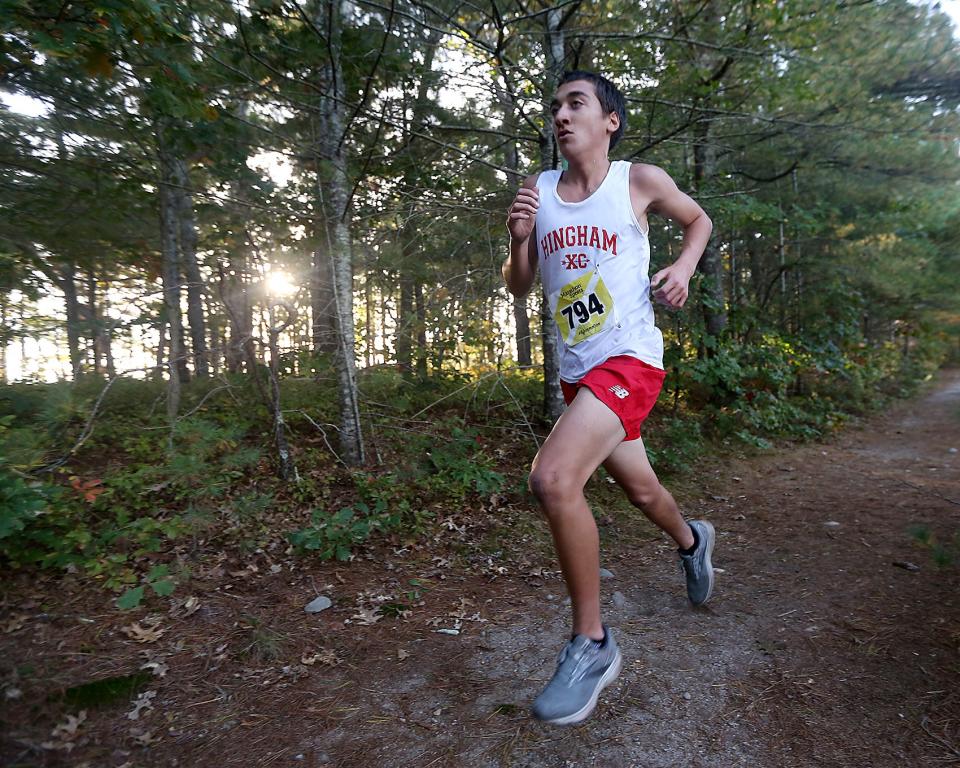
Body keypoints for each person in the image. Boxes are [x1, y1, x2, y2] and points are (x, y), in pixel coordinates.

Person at [502, 70, 716, 726]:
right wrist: (516, 241)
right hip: (579, 375)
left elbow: (698, 219)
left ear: (609, 121)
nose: (562, 116)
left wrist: (681, 267)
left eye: (577, 104)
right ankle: (692, 540)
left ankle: (591, 643)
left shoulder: (637, 180)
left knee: (554, 478)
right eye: (556, 107)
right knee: (643, 492)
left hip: (630, 361)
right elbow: (517, 286)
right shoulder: (538, 193)